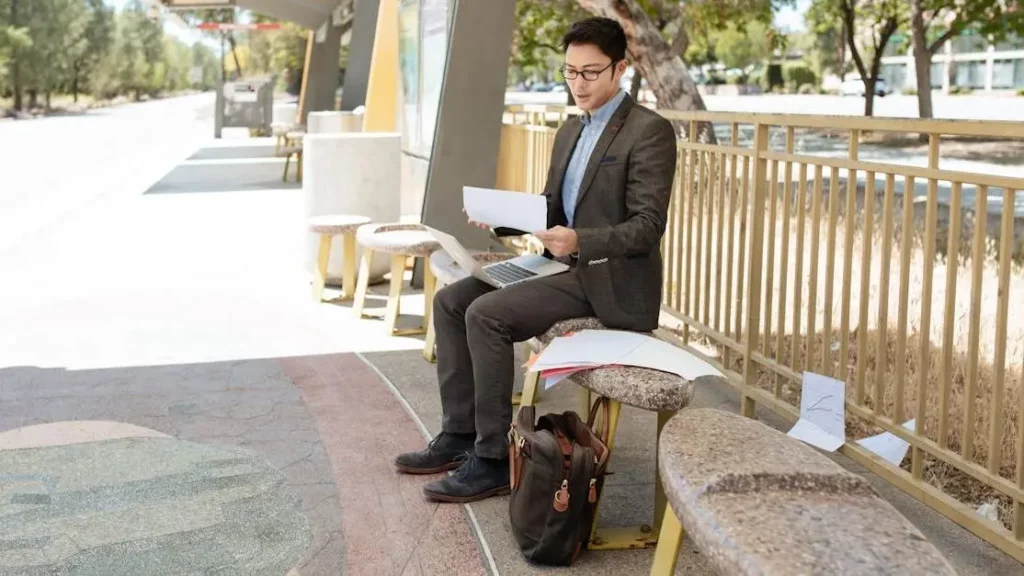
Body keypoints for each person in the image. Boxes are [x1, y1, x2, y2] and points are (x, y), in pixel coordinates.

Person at [393, 16, 678, 503]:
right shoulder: (570, 129)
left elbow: (647, 227)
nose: (578, 84)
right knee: (452, 302)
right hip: (559, 264)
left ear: (620, 70)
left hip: (607, 279)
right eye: (570, 72)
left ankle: (492, 461)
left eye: (590, 73)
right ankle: (460, 435)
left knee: (486, 315)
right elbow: (552, 205)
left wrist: (579, 241)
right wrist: (503, 217)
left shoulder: (649, 132)